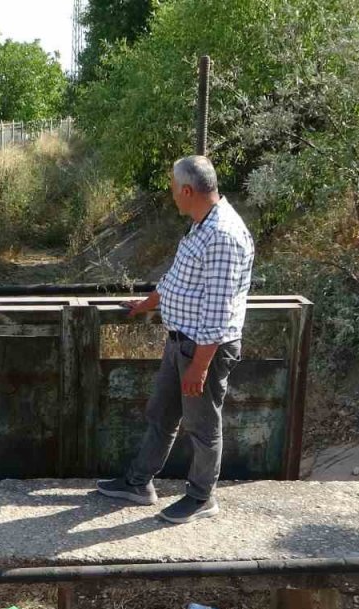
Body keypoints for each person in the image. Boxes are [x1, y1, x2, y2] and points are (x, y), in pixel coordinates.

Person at [96, 155, 255, 523]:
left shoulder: (222, 235)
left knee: (202, 427)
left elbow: (217, 312)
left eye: (172, 187)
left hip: (203, 349)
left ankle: (201, 497)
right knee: (162, 415)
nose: (171, 194)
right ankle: (138, 483)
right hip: (181, 340)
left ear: (187, 190)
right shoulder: (202, 225)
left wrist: (199, 367)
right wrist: (146, 303)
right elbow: (177, 280)